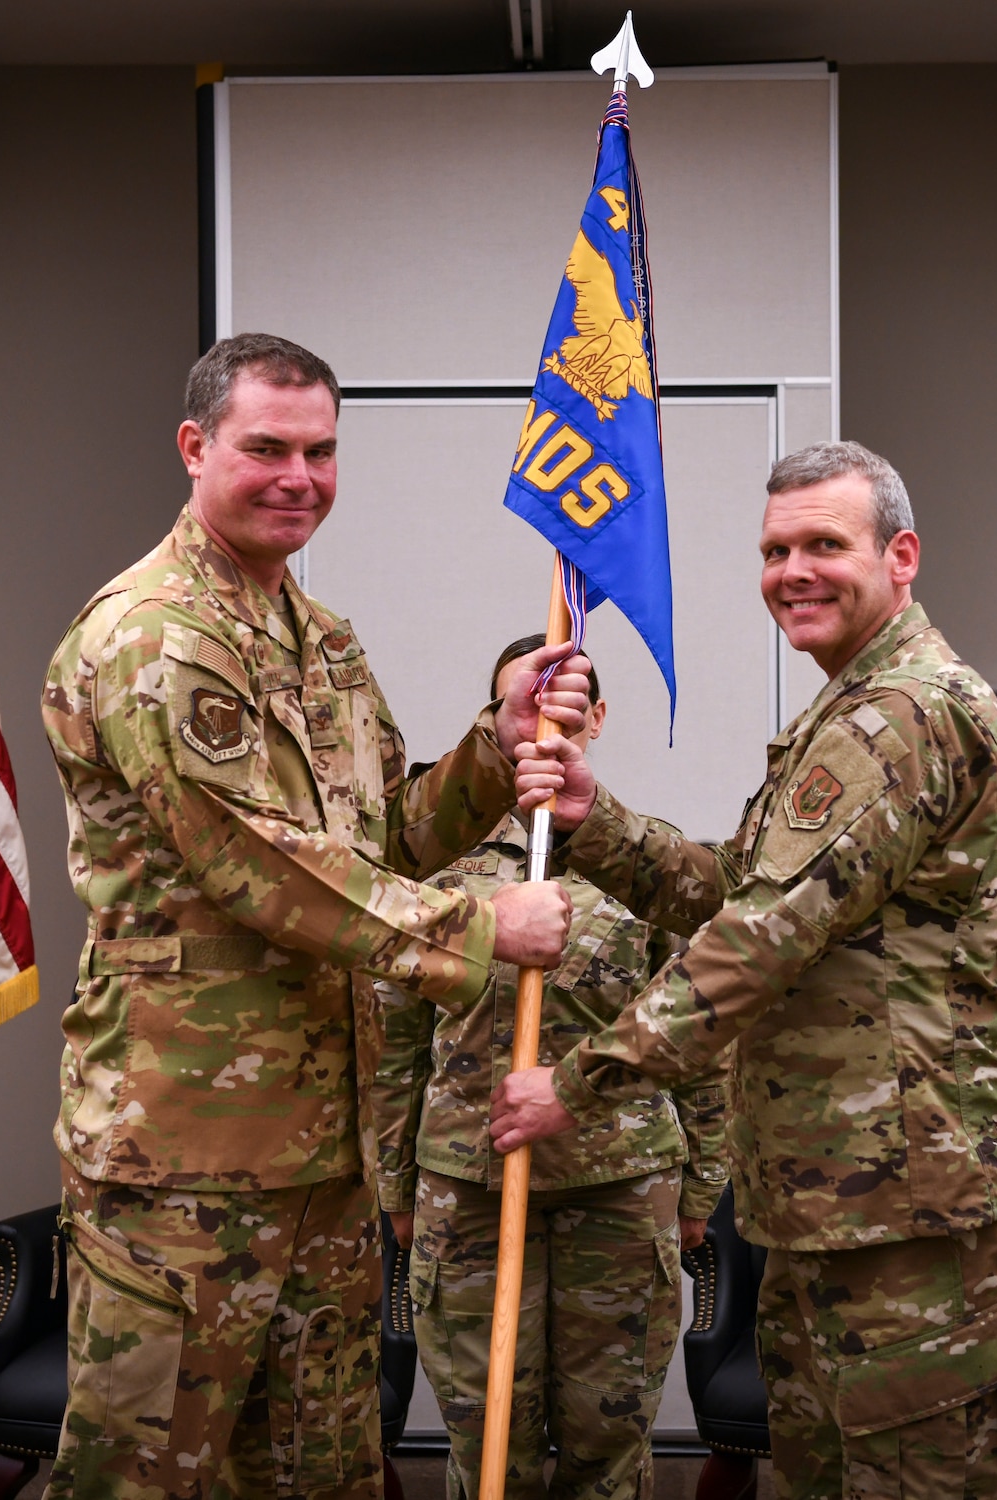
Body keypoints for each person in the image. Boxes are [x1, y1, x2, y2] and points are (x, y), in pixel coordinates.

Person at [39, 333, 592, 1500]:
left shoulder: (318, 635)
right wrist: (485, 933)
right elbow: (262, 869)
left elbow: (376, 838)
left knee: (323, 1471)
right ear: (195, 449)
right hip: (185, 1160)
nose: (299, 476)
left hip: (320, 1151)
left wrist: (496, 748)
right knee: (146, 1478)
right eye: (266, 449)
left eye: (321, 451)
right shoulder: (155, 638)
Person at [490, 441, 997, 1500]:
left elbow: (758, 940)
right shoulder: (845, 712)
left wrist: (574, 1084)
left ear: (900, 556)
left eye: (823, 545)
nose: (791, 572)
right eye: (773, 549)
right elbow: (736, 896)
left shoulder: (901, 716)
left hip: (912, 1225)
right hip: (833, 1205)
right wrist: (592, 824)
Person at [370, 636, 730, 1500]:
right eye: (519, 707)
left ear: (596, 719)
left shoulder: (649, 870)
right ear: (495, 723)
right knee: (489, 1446)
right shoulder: (440, 875)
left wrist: (705, 1188)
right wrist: (394, 1190)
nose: (541, 726)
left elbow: (702, 1036)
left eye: (562, 706)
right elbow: (391, 1044)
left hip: (620, 1188)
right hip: (468, 1188)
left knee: (609, 1446)